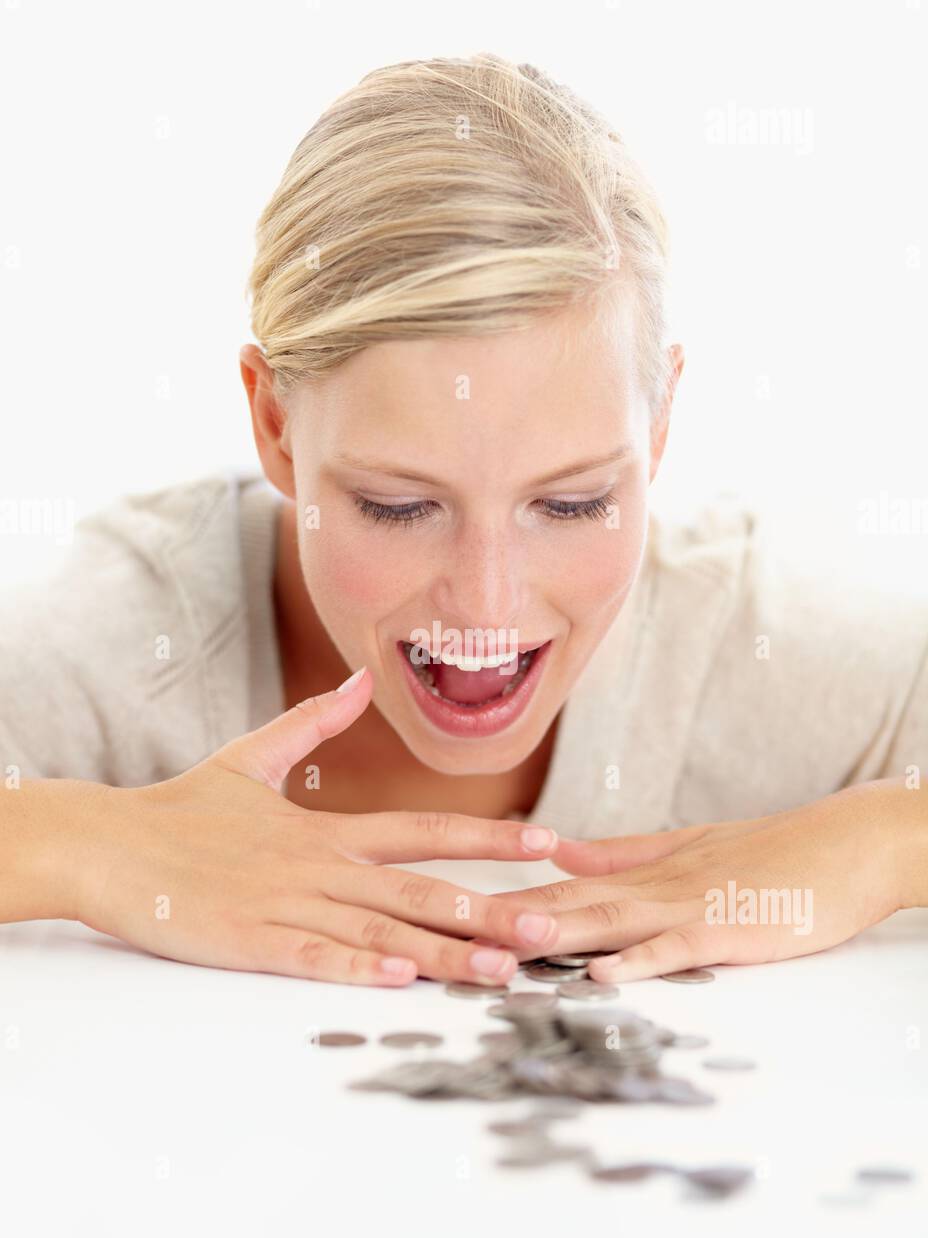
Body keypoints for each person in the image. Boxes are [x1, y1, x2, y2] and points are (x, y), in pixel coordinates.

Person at [2, 54, 926, 989]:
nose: (486, 603)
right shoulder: (138, 639)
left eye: (572, 503)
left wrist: (886, 843)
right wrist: (91, 846)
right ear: (275, 426)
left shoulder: (737, 647)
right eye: (398, 507)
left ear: (659, 427)